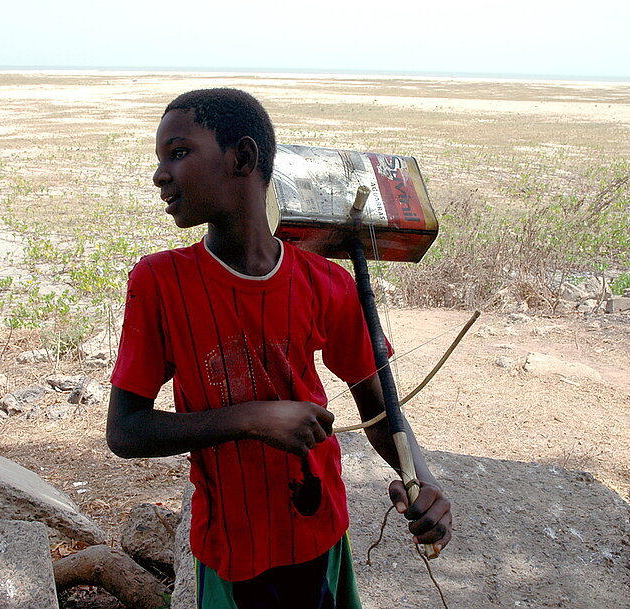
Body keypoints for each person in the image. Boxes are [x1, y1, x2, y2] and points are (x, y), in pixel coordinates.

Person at [107, 88, 452, 609]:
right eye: (161, 159)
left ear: (242, 158)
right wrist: (251, 418)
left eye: (178, 153)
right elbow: (125, 430)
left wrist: (421, 483)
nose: (160, 174)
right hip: (230, 549)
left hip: (321, 533)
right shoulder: (159, 283)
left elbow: (381, 413)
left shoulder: (326, 283)